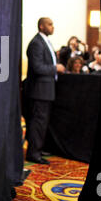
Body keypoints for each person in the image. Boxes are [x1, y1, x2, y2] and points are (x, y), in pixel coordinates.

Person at [24, 17, 65, 165]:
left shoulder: (44, 41)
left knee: (42, 122)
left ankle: (38, 149)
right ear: (41, 26)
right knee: (38, 123)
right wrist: (56, 68)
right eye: (50, 24)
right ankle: (33, 153)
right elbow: (38, 67)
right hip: (39, 90)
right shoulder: (36, 43)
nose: (53, 27)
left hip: (46, 90)